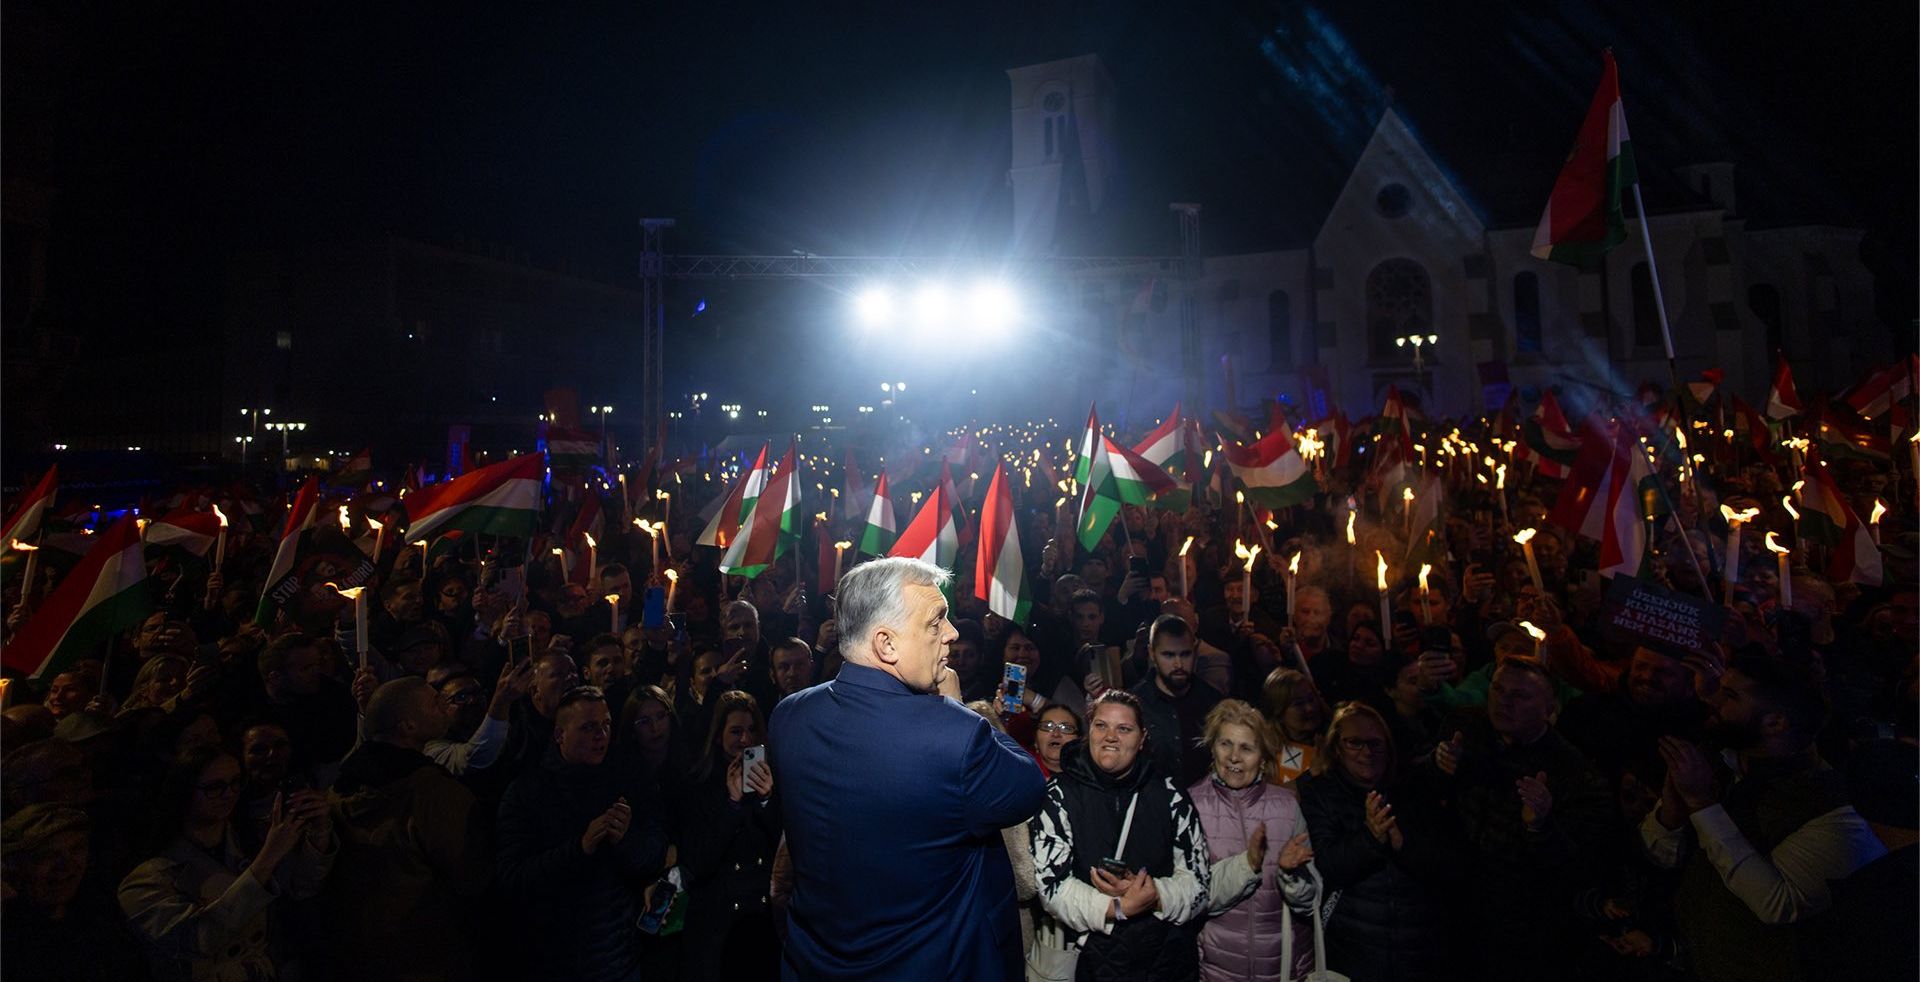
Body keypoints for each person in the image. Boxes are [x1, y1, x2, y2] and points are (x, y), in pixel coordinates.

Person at [773, 556, 1046, 981]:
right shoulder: (953, 736)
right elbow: (1027, 786)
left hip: (815, 963)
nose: (952, 633)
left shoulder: (788, 716)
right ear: (886, 644)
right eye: (936, 622)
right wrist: (957, 709)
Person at [1639, 656, 1887, 982]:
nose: (1712, 700)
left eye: (1729, 695)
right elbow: (1661, 854)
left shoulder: (1835, 813)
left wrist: (1702, 805)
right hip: (1695, 961)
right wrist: (1671, 813)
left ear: (1775, 724)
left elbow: (1777, 904)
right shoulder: (1720, 760)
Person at [1426, 658, 1611, 981]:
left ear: (1549, 708)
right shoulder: (1466, 729)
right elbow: (1425, 796)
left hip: (1519, 926)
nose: (1504, 701)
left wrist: (1539, 827)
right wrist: (1437, 766)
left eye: (1520, 695)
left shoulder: (1573, 773)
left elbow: (1578, 865)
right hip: (1452, 901)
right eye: (1498, 689)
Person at [1031, 689, 1212, 981]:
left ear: (1142, 739)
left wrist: (1154, 896)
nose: (1110, 737)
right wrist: (1117, 907)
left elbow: (1199, 884)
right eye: (1101, 725)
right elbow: (1052, 887)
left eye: (1124, 729)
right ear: (1089, 732)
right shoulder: (1059, 795)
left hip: (1167, 959)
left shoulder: (1169, 794)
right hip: (1093, 961)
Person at [496, 685, 668, 982]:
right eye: (588, 727)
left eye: (606, 724)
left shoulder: (628, 779)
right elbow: (512, 879)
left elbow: (655, 854)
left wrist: (625, 839)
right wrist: (579, 849)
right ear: (560, 734)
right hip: (553, 962)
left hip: (618, 957)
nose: (601, 735)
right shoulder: (527, 793)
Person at [118, 747, 334, 982]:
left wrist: (319, 832)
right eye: (214, 787)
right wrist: (267, 858)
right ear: (184, 791)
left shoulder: (249, 842)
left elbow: (301, 887)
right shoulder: (147, 880)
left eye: (235, 782)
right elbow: (199, 938)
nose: (229, 793)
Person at [323, 677, 490, 981]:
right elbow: (469, 872)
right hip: (425, 947)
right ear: (408, 726)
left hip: (362, 946)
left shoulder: (339, 788)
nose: (444, 706)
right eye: (434, 702)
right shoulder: (432, 793)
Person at [1296, 702, 1463, 981]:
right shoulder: (1320, 794)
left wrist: (1402, 846)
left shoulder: (1414, 791)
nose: (1366, 752)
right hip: (1351, 953)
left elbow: (1449, 865)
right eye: (1354, 743)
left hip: (1419, 953)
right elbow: (1325, 867)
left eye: (1375, 743)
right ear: (1336, 747)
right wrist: (1371, 839)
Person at [1190, 699, 1319, 982]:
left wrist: (1291, 875)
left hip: (1284, 969)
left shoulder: (1287, 806)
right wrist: (1247, 865)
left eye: (1246, 748)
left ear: (1262, 757)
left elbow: (1310, 901)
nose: (1234, 757)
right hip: (1216, 970)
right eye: (1225, 744)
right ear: (1212, 748)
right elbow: (1193, 900)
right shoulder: (1191, 805)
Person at [676, 690, 782, 980]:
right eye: (736, 731)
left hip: (762, 922)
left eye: (751, 730)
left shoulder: (773, 780)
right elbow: (698, 862)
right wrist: (732, 806)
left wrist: (767, 801)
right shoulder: (699, 785)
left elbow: (784, 847)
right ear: (718, 735)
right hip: (720, 927)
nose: (745, 739)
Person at [1130, 614, 1224, 788]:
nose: (1178, 664)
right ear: (1151, 653)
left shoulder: (1214, 702)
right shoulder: (1135, 704)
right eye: (1168, 655)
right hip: (1153, 801)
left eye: (1185, 654)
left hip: (1204, 800)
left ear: (1195, 650)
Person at [1258, 668, 1325, 785]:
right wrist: (1311, 774)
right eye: (1298, 704)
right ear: (1279, 713)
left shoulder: (1335, 738)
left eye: (1311, 699)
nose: (1310, 708)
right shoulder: (1269, 759)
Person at [1032, 703, 1083, 778]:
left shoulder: (1090, 778)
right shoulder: (1020, 772)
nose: (1056, 734)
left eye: (1066, 728)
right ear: (1036, 741)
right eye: (1047, 726)